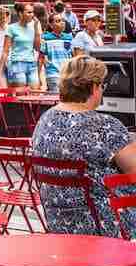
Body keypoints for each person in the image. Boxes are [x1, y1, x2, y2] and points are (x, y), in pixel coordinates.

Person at [32, 56, 136, 238]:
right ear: (94, 87)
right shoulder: (104, 125)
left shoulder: (45, 119)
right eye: (102, 85)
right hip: (109, 224)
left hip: (59, 224)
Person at [0, 2, 42, 90]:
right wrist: (0, 70)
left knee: (35, 92)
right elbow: (5, 50)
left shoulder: (34, 26)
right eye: (29, 12)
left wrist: (36, 29)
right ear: (21, 14)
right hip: (17, 63)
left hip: (32, 63)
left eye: (32, 12)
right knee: (20, 94)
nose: (32, 15)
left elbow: (37, 48)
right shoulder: (11, 28)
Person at [39, 14, 73, 93]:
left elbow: (73, 56)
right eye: (58, 21)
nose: (61, 23)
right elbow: (41, 58)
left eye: (62, 21)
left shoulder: (69, 38)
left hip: (68, 75)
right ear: (51, 25)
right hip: (53, 74)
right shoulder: (45, 38)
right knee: (57, 98)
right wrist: (39, 76)